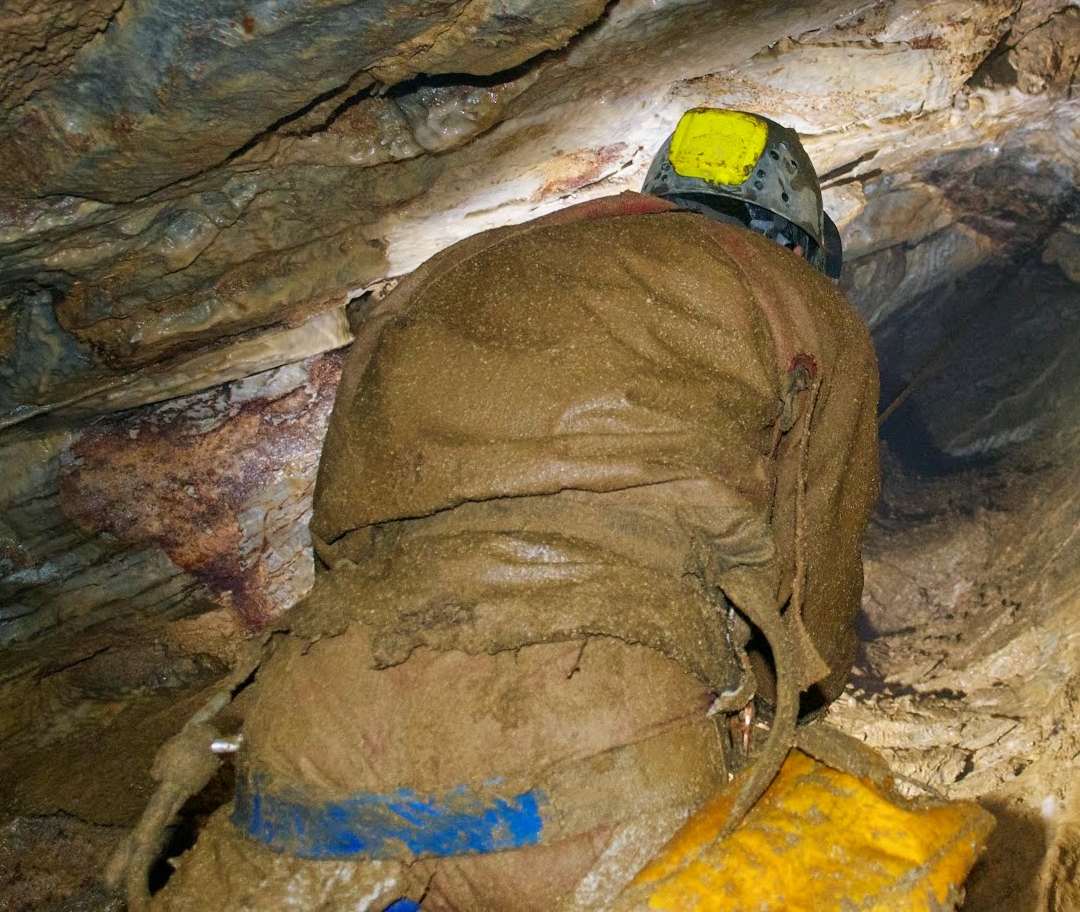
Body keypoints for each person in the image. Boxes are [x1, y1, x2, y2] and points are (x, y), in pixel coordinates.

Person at [115, 108, 885, 910]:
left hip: (324, 716)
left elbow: (339, 528)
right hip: (590, 739)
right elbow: (812, 590)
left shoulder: (453, 271)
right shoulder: (797, 298)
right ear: (801, 242)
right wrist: (774, 705)